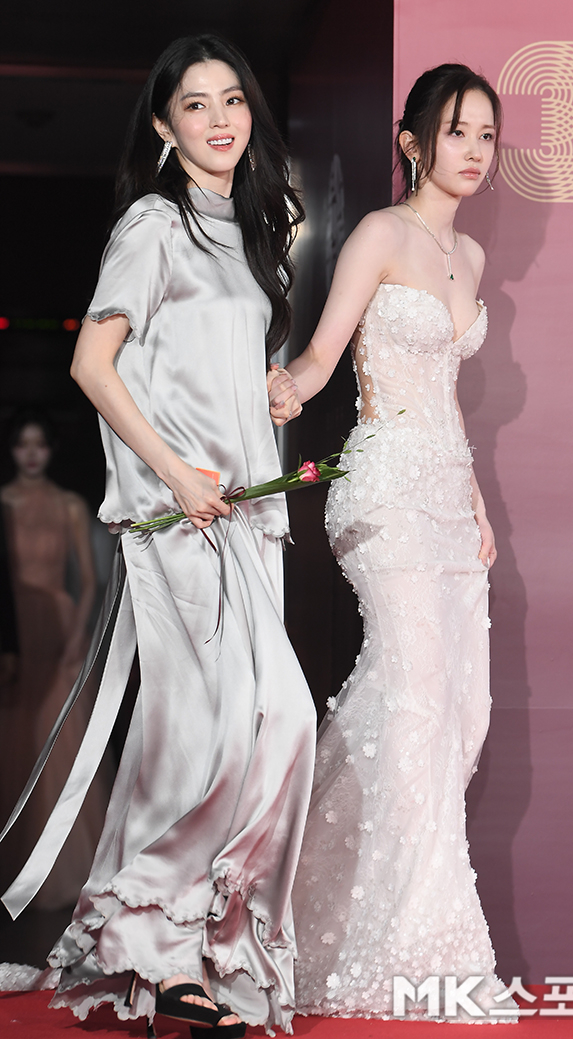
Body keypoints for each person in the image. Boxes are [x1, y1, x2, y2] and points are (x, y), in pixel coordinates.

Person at [0, 35, 316, 1037]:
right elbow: (94, 365)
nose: (221, 118)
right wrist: (177, 473)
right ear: (164, 125)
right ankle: (168, 950)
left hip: (248, 515)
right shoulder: (153, 221)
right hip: (178, 516)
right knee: (230, 726)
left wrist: (270, 389)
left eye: (233, 100)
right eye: (197, 103)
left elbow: (212, 363)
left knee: (246, 727)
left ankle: (188, 953)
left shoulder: (251, 231)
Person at [270, 64, 516, 1020]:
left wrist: (477, 501)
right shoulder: (379, 233)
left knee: (462, 713)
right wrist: (280, 388)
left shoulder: (473, 256)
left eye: (487, 134)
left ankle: (298, 914)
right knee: (416, 704)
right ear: (414, 142)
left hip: (450, 501)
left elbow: (445, 396)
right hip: (383, 494)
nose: (474, 150)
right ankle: (420, 953)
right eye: (457, 131)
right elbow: (323, 357)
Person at [0, 411, 107, 910]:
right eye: (22, 444)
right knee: (14, 735)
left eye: (39, 444)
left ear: (51, 449)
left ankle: (61, 866)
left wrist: (75, 640)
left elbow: (86, 581)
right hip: (14, 626)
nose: (31, 453)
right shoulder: (2, 502)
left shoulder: (68, 505)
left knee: (56, 736)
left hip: (58, 628)